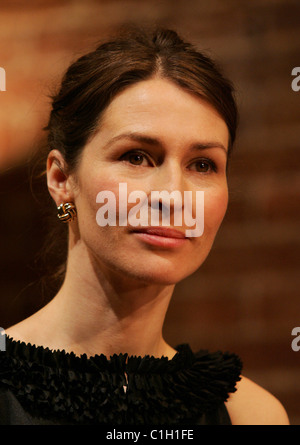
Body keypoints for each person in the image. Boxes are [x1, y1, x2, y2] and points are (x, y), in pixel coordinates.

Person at [0, 27, 289, 425]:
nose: (172, 195)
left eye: (202, 165)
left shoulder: (250, 416)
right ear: (62, 179)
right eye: (136, 157)